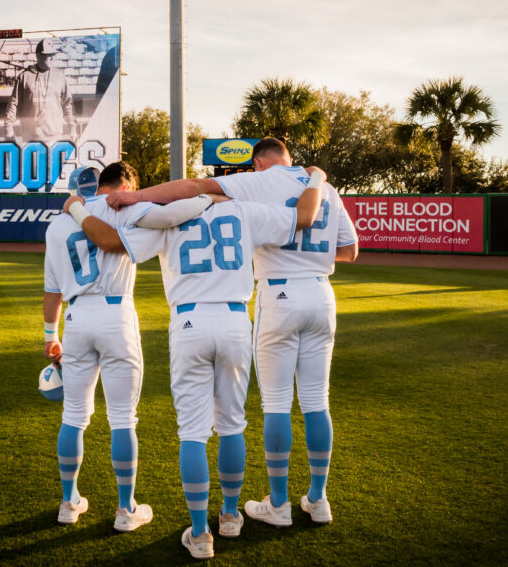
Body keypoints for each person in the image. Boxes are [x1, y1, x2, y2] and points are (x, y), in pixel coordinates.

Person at [64, 166, 326, 559]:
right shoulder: (246, 209)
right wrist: (316, 178)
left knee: (192, 432)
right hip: (236, 317)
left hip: (188, 320)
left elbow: (113, 243)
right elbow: (301, 220)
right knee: (232, 425)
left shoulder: (173, 212)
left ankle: (202, 533)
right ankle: (231, 515)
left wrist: (81, 209)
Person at [106, 138, 358, 527]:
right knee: (311, 401)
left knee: (257, 408)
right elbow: (345, 249)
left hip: (253, 300)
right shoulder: (313, 189)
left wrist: (129, 198)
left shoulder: (248, 189)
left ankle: (265, 508)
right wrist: (318, 179)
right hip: (315, 294)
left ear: (258, 163)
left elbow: (182, 194)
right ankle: (312, 499)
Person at [42, 161, 217, 531]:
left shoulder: (58, 224)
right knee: (122, 417)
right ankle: (125, 509)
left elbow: (52, 288)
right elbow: (175, 212)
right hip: (115, 313)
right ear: (128, 185)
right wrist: (209, 195)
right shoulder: (129, 206)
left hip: (75, 318)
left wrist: (49, 335)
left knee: (73, 415)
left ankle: (68, 502)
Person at [5, 39, 76, 144]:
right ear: (39, 56)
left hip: (53, 136)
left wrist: (72, 127)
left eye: (53, 54)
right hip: (30, 136)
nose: (52, 58)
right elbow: (13, 104)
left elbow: (68, 104)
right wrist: (8, 128)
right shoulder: (24, 76)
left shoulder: (60, 76)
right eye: (48, 55)